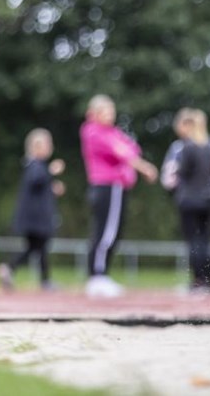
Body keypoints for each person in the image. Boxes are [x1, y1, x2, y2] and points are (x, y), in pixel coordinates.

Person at [80, 94, 158, 298]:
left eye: (112, 111)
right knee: (106, 232)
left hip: (115, 187)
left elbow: (132, 148)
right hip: (108, 186)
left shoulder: (111, 131)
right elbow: (124, 153)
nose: (110, 115)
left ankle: (100, 275)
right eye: (106, 111)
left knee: (112, 231)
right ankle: (97, 276)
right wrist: (145, 168)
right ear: (94, 113)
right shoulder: (93, 131)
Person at [160, 108, 210, 292]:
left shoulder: (184, 148)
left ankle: (199, 279)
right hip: (208, 198)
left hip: (188, 199)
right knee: (206, 240)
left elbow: (172, 177)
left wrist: (179, 180)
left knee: (193, 240)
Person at [0, 128, 66, 292]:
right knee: (38, 247)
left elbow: (38, 187)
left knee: (37, 248)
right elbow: (36, 180)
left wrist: (51, 188)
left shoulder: (36, 166)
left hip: (35, 218)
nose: (50, 147)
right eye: (47, 144)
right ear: (36, 146)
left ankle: (14, 270)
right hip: (35, 219)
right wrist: (51, 171)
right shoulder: (35, 165)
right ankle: (14, 269)